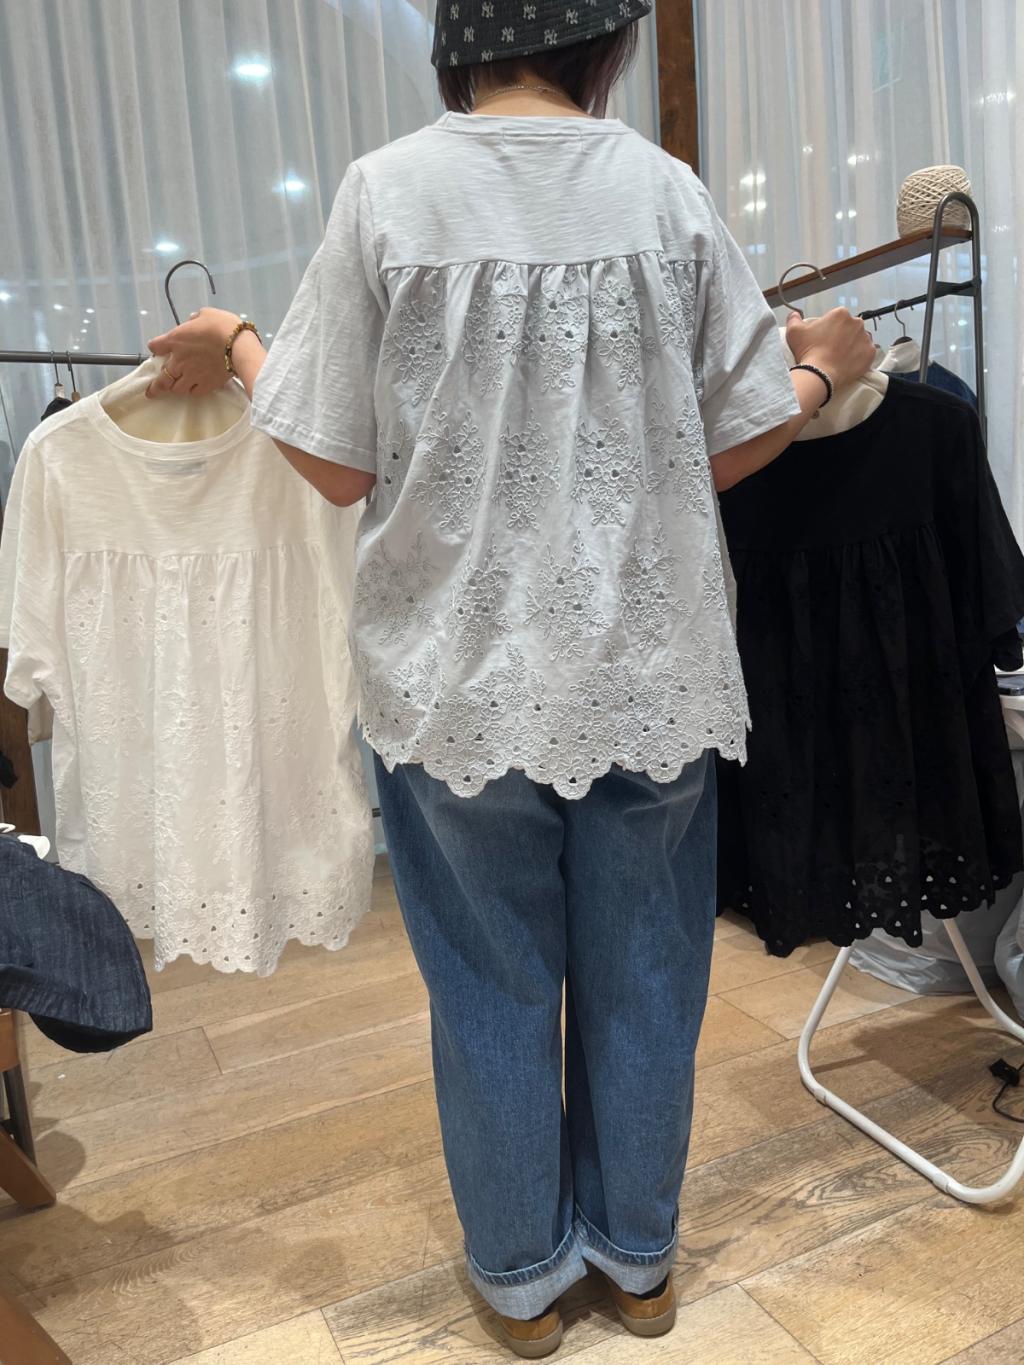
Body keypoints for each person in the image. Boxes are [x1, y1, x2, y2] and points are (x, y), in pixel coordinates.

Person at [146, 3, 874, 1356]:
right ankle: (639, 1261)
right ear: (605, 45)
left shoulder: (389, 193)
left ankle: (523, 1280)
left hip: (456, 681)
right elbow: (729, 440)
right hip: (646, 671)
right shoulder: (664, 193)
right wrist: (824, 376)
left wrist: (241, 343)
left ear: (460, 44)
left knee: (490, 983)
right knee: (648, 973)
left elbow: (333, 461)